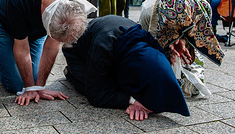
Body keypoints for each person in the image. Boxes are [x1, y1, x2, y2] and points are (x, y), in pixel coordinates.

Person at [0, 0, 96, 106]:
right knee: (17, 86)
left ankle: (5, 58)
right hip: (4, 25)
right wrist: (29, 89)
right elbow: (22, 47)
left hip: (35, 31)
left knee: (34, 79)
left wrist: (39, 87)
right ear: (45, 17)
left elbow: (52, 44)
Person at [62, 15, 190, 121]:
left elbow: (157, 71)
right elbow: (95, 95)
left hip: (113, 44)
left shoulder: (151, 47)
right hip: (77, 51)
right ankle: (71, 72)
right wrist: (133, 100)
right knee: (88, 86)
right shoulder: (103, 47)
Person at [139, 0, 224, 97]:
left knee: (192, 86)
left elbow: (197, 36)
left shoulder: (203, 6)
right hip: (157, 15)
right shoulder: (148, 10)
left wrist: (183, 39)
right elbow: (151, 44)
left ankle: (185, 77)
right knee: (160, 60)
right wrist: (168, 45)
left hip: (187, 15)